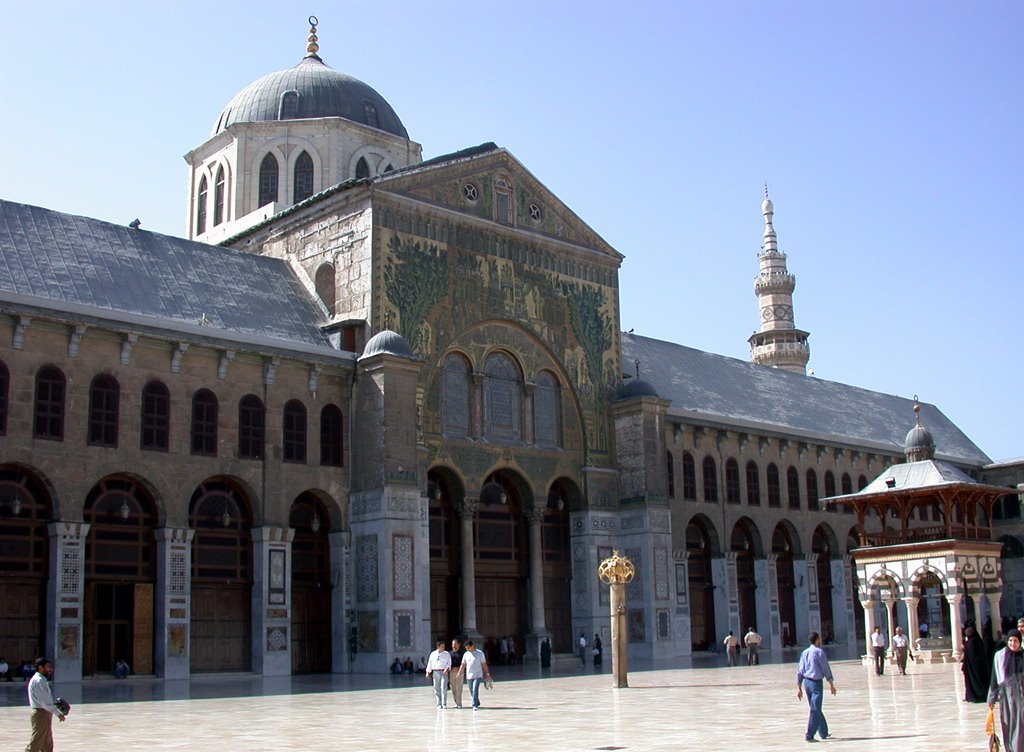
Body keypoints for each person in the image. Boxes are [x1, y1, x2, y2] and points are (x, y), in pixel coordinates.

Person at [796, 632, 837, 743]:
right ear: (817, 640)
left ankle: (823, 732)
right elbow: (825, 668)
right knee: (815, 709)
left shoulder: (804, 653)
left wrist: (799, 687)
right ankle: (809, 735)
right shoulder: (819, 652)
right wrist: (831, 684)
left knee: (815, 707)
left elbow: (800, 670)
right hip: (816, 684)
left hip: (806, 683)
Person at [989, 628, 1024, 751]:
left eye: (1015, 641)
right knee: (1008, 726)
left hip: (1022, 699)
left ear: (1019, 642)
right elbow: (994, 678)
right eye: (1010, 641)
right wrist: (992, 698)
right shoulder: (1000, 656)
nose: (1012, 644)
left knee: (1020, 728)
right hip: (1007, 700)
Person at [25, 657, 66, 752]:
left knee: (47, 744)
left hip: (45, 713)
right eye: (48, 667)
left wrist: (54, 704)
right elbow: (44, 703)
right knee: (36, 742)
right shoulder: (39, 681)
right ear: (40, 667)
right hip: (41, 714)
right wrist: (58, 714)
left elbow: (44, 700)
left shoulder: (41, 680)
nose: (50, 669)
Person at [458, 639, 491, 711]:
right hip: (469, 676)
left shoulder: (480, 653)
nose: (468, 649)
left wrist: (487, 673)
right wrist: (459, 673)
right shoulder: (466, 654)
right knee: (471, 691)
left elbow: (484, 664)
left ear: (472, 646)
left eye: (468, 648)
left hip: (478, 675)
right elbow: (463, 664)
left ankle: (474, 705)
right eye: (466, 648)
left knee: (475, 689)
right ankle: (477, 701)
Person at [963, 626, 990, 702]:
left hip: (974, 668)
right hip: (975, 667)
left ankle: (978, 695)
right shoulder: (975, 640)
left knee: (976, 682)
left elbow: (973, 656)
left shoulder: (972, 642)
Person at [425, 640, 452, 709]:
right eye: (442, 646)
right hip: (435, 672)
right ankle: (438, 704)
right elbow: (430, 663)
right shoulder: (433, 654)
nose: (443, 648)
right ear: (438, 647)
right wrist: (428, 672)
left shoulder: (446, 654)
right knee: (437, 688)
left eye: (444, 646)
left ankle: (444, 703)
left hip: (443, 672)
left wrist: (447, 668)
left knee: (443, 687)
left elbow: (449, 662)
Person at [449, 638, 465, 708]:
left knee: (459, 688)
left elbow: (463, 663)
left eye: (455, 644)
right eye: (453, 644)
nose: (454, 646)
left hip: (459, 672)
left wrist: (460, 671)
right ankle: (456, 702)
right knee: (453, 688)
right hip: (451, 672)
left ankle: (459, 703)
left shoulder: (462, 653)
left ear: (458, 645)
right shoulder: (449, 653)